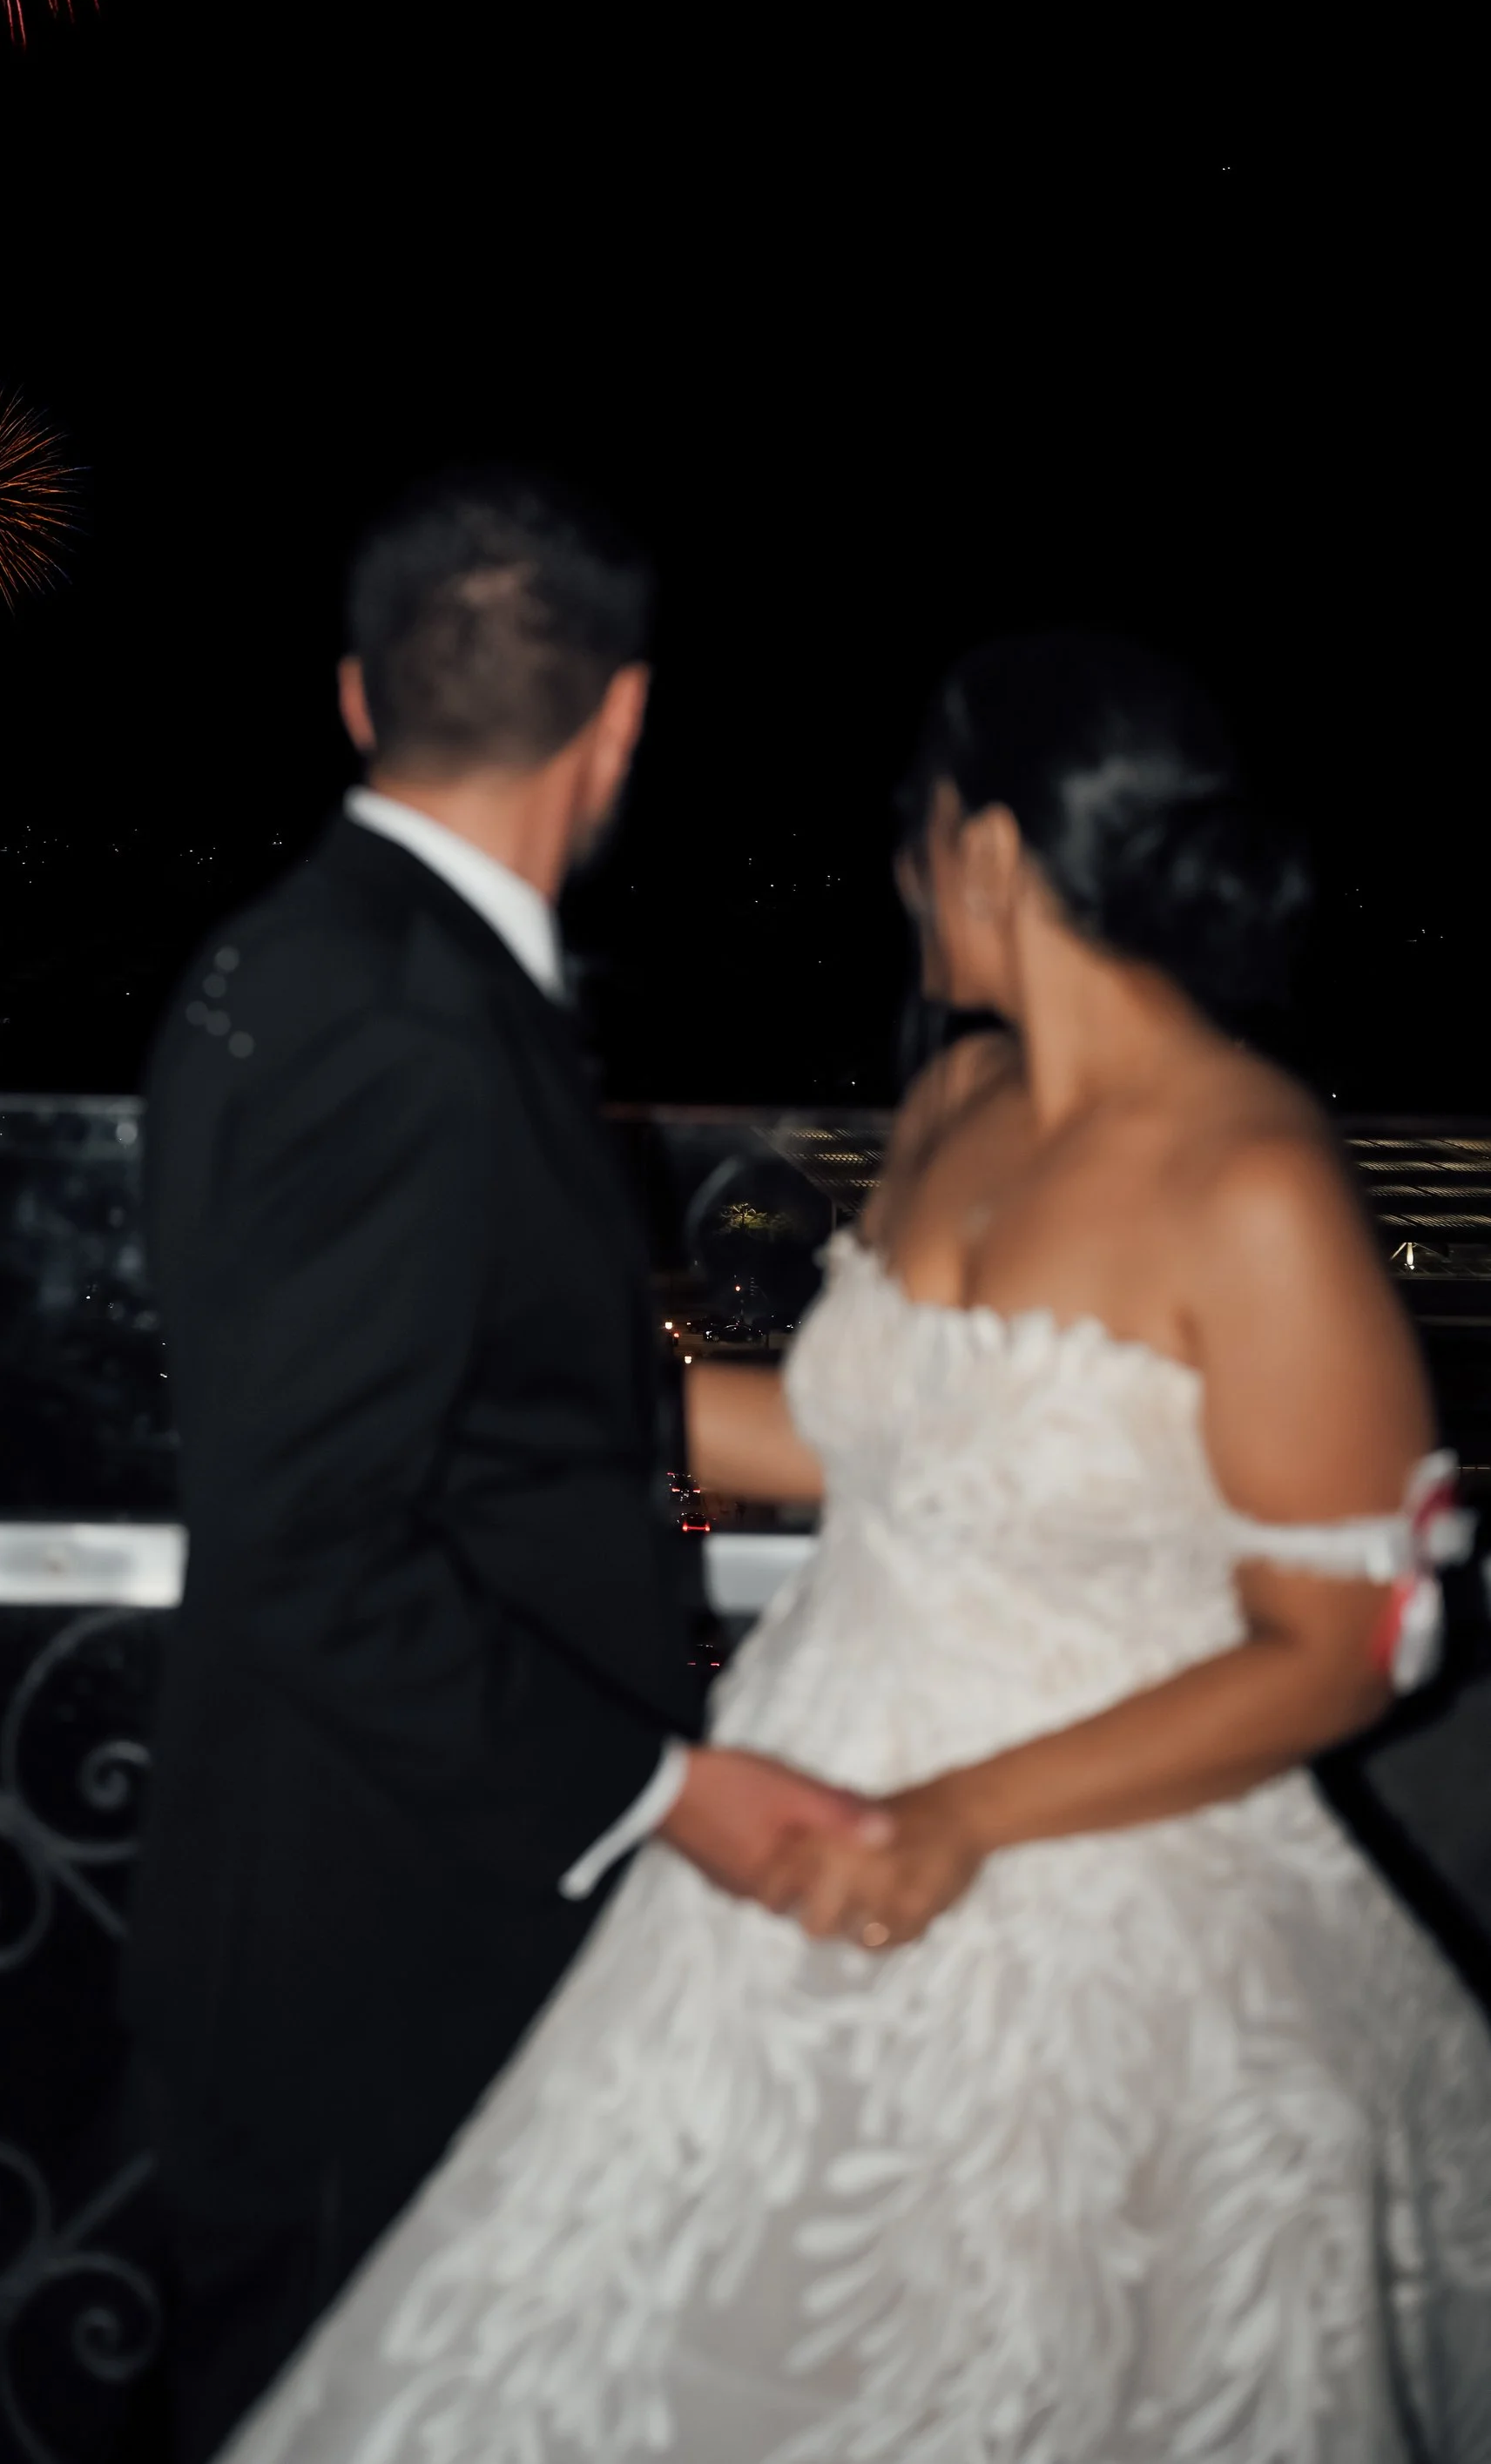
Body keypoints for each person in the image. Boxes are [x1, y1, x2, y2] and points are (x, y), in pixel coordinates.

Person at [219, 632, 1491, 2462]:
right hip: (792, 1827)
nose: (897, 881)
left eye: (908, 839)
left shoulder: (1250, 1175)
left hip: (1087, 1873)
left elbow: (1342, 1640)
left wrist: (959, 1817)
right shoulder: (952, 1107)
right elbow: (847, 1439)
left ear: (980, 845)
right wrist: (502, 1358)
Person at [125, 469, 877, 2461]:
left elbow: (470, 1403)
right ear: (617, 720)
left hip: (353, 1887)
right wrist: (669, 1789)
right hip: (371, 1931)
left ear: (358, 701)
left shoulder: (306, 959)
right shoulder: (405, 1018)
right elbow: (314, 1547)